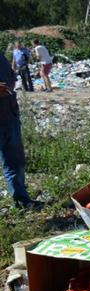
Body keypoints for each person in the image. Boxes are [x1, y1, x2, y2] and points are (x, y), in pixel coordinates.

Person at [0, 54, 42, 210]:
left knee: (14, 163)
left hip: (10, 118)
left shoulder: (1, 58)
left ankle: (21, 201)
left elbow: (11, 78)